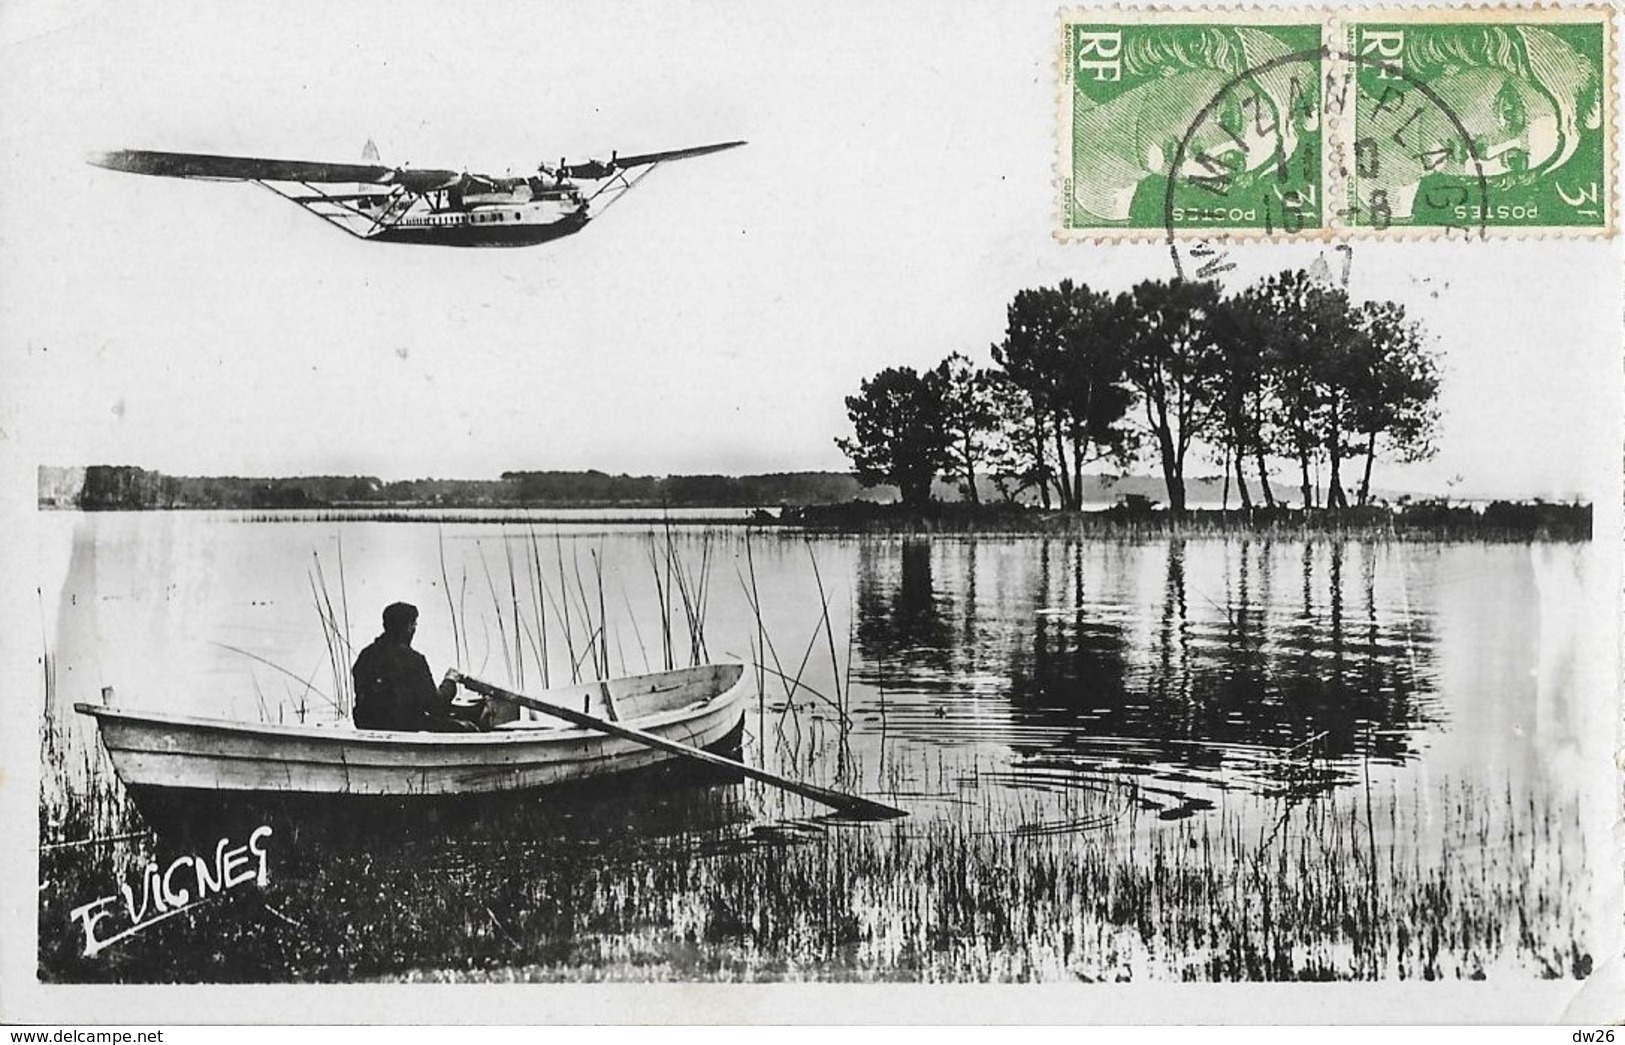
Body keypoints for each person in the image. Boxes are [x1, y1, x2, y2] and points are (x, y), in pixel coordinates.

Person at [352, 602, 490, 732]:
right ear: (407, 628)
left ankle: (473, 712)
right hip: (401, 727)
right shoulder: (413, 660)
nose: (414, 630)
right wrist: (450, 680)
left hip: (367, 724)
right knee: (469, 728)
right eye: (413, 624)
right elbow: (435, 705)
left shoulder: (366, 656)